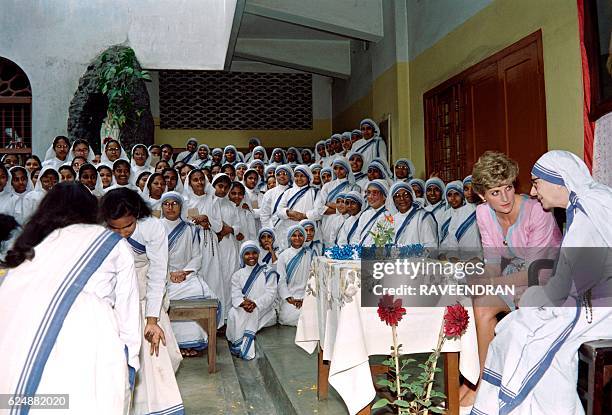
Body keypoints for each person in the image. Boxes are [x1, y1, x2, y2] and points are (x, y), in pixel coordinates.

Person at [472, 150, 612, 414]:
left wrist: (534, 297)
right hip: (587, 298)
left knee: (529, 335)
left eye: (536, 183)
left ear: (558, 181)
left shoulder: (586, 214)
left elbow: (567, 285)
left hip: (600, 307)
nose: (533, 192)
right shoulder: (584, 207)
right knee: (517, 329)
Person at [0, 182, 140, 414]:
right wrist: (130, 363)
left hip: (33, 340)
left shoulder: (28, 244)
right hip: (92, 341)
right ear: (91, 211)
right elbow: (128, 311)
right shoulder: (108, 242)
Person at [460, 151, 562, 408]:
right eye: (495, 192)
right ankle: (482, 382)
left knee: (519, 298)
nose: (504, 198)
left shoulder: (537, 211)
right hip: (513, 280)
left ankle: (516, 387)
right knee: (478, 303)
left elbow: (534, 273)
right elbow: (494, 264)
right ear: (482, 195)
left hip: (548, 282)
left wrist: (490, 283)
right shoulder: (483, 214)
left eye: (508, 188)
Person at [100, 188, 183, 415]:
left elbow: (157, 273)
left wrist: (152, 319)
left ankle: (158, 407)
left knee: (163, 355)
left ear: (137, 215)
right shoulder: (101, 230)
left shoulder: (153, 227)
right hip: (118, 296)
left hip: (149, 295)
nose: (122, 233)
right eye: (115, 228)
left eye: (128, 226)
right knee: (127, 357)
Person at [160, 191, 217, 357]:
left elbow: (197, 256)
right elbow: (154, 257)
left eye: (174, 203)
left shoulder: (190, 229)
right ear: (162, 206)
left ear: (180, 206)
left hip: (187, 275)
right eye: (166, 203)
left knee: (202, 294)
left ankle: (193, 340)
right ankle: (173, 344)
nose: (170, 207)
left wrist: (184, 272)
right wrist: (169, 273)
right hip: (164, 276)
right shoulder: (154, 228)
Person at [182, 169, 225, 320]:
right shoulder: (184, 202)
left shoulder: (212, 199)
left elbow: (219, 226)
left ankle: (216, 320)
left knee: (212, 277)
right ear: (189, 183)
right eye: (195, 180)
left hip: (209, 244)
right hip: (191, 244)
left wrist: (207, 219)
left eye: (202, 179)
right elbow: (181, 224)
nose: (199, 182)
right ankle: (195, 320)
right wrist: (195, 221)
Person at [226, 241, 277, 360]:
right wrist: (243, 303)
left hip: (264, 310)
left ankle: (241, 346)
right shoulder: (237, 275)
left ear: (258, 254)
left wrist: (255, 303)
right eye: (247, 254)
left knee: (250, 314)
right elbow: (236, 294)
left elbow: (271, 294)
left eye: (254, 253)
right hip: (245, 307)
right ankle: (237, 343)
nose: (251, 256)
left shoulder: (268, 272)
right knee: (233, 312)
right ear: (242, 256)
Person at [212, 174, 241, 317]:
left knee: (229, 277)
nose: (223, 190)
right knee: (217, 279)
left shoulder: (231, 205)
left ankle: (228, 315)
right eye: (220, 186)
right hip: (214, 247)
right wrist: (221, 230)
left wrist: (227, 230)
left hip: (229, 246)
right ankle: (217, 316)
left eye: (226, 187)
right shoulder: (210, 202)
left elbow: (238, 226)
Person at [276, 165, 319, 250]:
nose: (299, 178)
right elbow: (279, 211)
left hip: (307, 232)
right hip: (288, 230)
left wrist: (303, 216)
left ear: (308, 177)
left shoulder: (315, 192)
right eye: (296, 175)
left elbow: (318, 212)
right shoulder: (287, 192)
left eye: (302, 176)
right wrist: (289, 213)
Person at [277, 225, 311, 326]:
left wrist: (305, 298)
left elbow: (313, 279)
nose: (297, 238)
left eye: (300, 235)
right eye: (294, 235)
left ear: (304, 238)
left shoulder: (310, 254)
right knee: (287, 317)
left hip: (306, 296)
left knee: (308, 315)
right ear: (289, 238)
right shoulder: (283, 255)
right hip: (290, 296)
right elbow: (281, 280)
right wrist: (289, 298)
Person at [387, 182, 437, 248]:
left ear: (412, 197)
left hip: (418, 258)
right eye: (397, 196)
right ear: (393, 201)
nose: (402, 199)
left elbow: (431, 245)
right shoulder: (392, 219)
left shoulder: (424, 217)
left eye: (406, 196)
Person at [438, 181, 480, 257]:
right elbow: (449, 239)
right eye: (449, 195)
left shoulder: (480, 210)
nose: (453, 198)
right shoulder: (446, 215)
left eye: (456, 194)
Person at [356, 179, 390, 246]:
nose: (371, 197)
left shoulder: (389, 216)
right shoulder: (365, 214)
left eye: (375, 193)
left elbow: (382, 242)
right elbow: (356, 237)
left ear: (384, 196)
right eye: (368, 192)